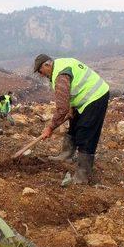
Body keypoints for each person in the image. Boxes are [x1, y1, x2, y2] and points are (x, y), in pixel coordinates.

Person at [34, 54, 110, 184]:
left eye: (41, 71)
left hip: (96, 97)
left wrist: (50, 127)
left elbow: (61, 108)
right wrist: (71, 108)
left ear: (47, 65)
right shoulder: (61, 64)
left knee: (86, 133)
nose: (41, 75)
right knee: (74, 125)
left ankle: (82, 175)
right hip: (83, 99)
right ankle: (66, 155)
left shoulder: (61, 75)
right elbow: (70, 94)